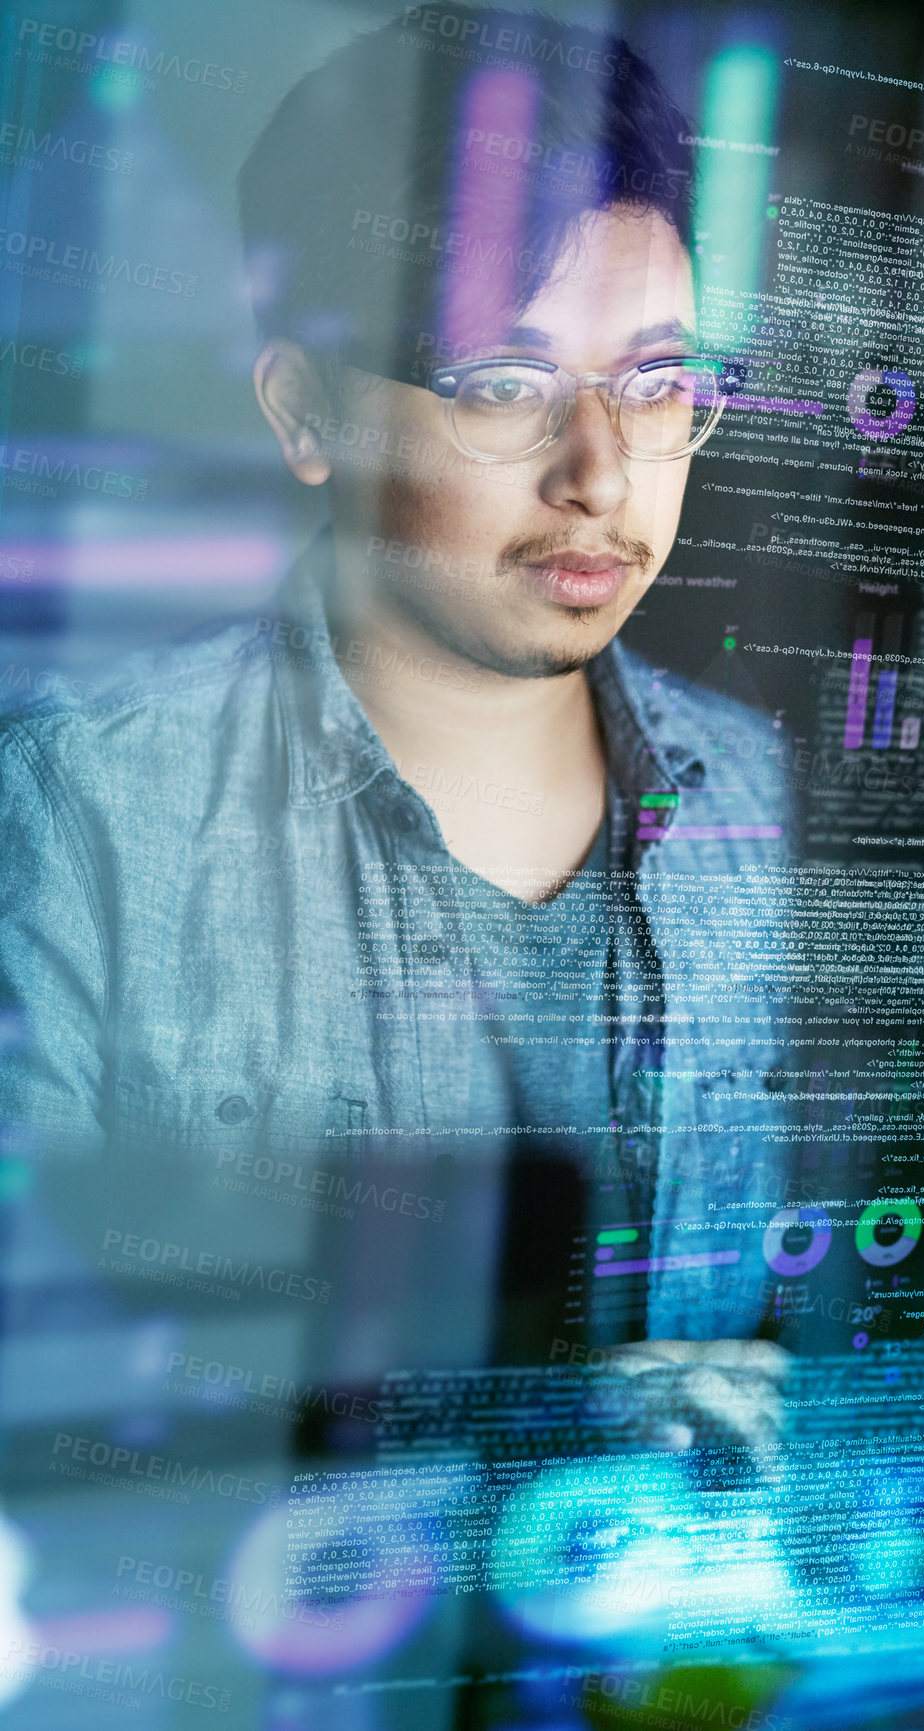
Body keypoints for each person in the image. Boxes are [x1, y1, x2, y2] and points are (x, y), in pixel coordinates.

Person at [0, 4, 791, 1440]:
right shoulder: (81, 813)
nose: (602, 474)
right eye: (503, 383)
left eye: (659, 381)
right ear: (306, 412)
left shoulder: (747, 792)